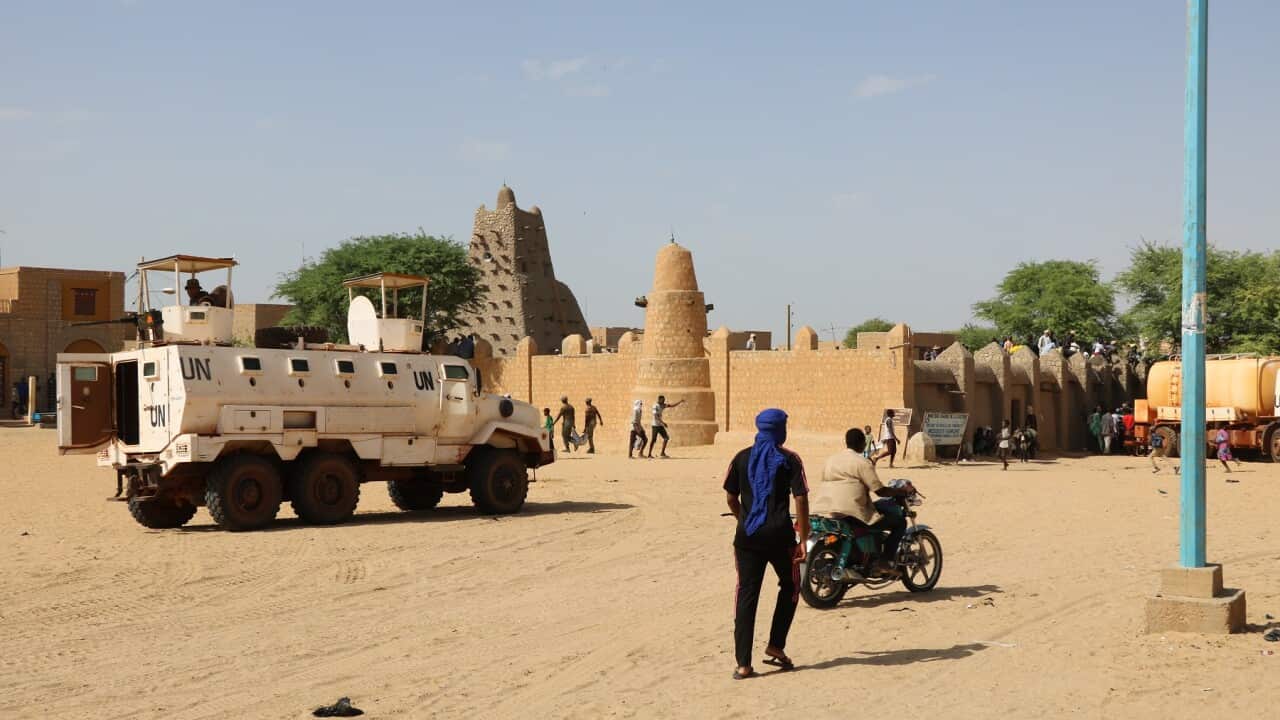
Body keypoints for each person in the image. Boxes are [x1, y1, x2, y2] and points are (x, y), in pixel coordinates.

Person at [723, 409, 809, 680]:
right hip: (780, 537)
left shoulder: (741, 457)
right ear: (780, 430)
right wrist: (803, 538)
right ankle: (775, 644)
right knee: (791, 585)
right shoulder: (790, 460)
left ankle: (743, 664)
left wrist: (745, 519)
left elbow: (730, 497)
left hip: (747, 538)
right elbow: (801, 499)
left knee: (746, 595)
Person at [813, 428, 915, 580]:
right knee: (899, 522)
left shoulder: (831, 460)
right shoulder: (862, 462)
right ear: (862, 444)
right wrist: (900, 492)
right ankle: (885, 561)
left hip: (826, 509)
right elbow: (879, 490)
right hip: (852, 511)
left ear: (846, 442)